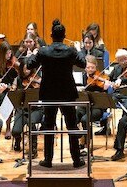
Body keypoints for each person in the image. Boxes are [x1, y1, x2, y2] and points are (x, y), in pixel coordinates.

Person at [24, 19, 87, 168]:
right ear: (64, 36)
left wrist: (33, 53)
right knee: (72, 126)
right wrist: (79, 49)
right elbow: (83, 63)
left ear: (51, 35)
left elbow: (29, 64)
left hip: (49, 93)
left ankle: (48, 160)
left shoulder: (43, 51)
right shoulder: (71, 51)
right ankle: (76, 160)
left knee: (48, 127)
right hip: (67, 93)